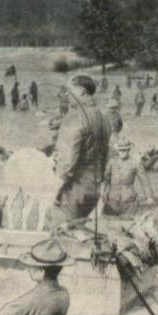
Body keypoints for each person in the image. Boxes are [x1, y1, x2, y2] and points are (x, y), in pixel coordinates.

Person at [48, 75, 112, 229]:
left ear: (82, 91)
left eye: (69, 91)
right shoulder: (104, 118)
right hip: (94, 186)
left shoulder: (75, 117)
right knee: (81, 232)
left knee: (59, 235)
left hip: (74, 188)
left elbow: (67, 161)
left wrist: (54, 188)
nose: (66, 95)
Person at [100, 138, 155, 216]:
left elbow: (144, 180)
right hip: (112, 202)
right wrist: (102, 193)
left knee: (129, 222)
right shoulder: (112, 162)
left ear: (129, 150)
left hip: (129, 202)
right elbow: (105, 179)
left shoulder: (135, 162)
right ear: (117, 150)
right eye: (120, 150)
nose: (122, 152)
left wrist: (149, 197)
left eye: (124, 150)